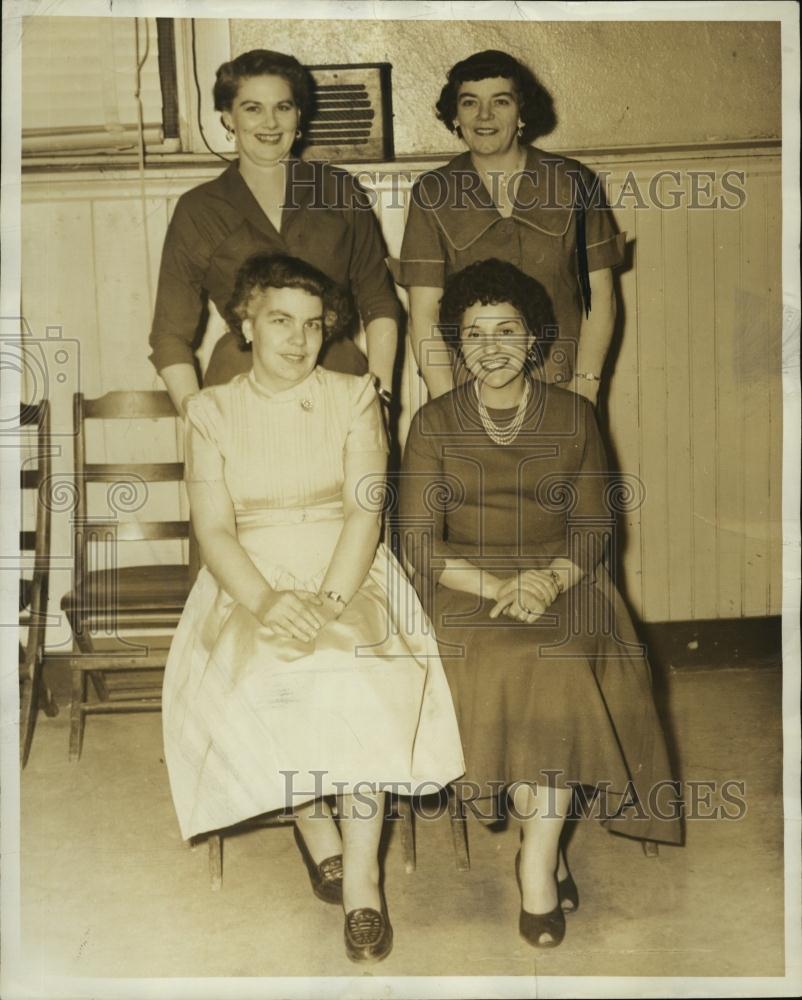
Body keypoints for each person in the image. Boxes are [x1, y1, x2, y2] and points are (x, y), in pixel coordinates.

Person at [162, 254, 463, 964]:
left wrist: (330, 598)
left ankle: (362, 881)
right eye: (279, 322)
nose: (298, 340)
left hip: (347, 565)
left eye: (313, 325)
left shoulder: (355, 395)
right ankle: (312, 823)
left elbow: (367, 510)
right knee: (269, 673)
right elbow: (213, 530)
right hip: (249, 575)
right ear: (246, 323)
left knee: (354, 673)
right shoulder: (209, 410)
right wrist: (266, 601)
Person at [398, 259, 681, 950]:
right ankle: (544, 852)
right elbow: (414, 541)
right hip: (466, 584)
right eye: (473, 333)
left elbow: (595, 527)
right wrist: (496, 586)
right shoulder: (433, 422)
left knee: (559, 657)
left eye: (506, 330)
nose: (490, 347)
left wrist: (551, 580)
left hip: (565, 577)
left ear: (535, 339)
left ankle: (536, 855)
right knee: (502, 657)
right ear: (455, 345)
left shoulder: (574, 415)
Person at [149, 49, 398, 415]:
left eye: (283, 107)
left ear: (299, 116)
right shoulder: (198, 209)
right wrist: (200, 419)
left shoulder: (339, 191)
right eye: (252, 108)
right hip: (239, 388)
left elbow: (380, 302)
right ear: (227, 118)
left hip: (339, 384)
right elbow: (170, 336)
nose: (270, 123)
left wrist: (381, 398)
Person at [391, 49, 624, 403]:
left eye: (500, 101)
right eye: (469, 103)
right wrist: (446, 402)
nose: (484, 115)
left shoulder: (572, 181)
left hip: (561, 385)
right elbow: (424, 313)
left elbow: (600, 296)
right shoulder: (432, 192)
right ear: (455, 116)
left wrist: (586, 387)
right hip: (469, 390)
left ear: (522, 112)